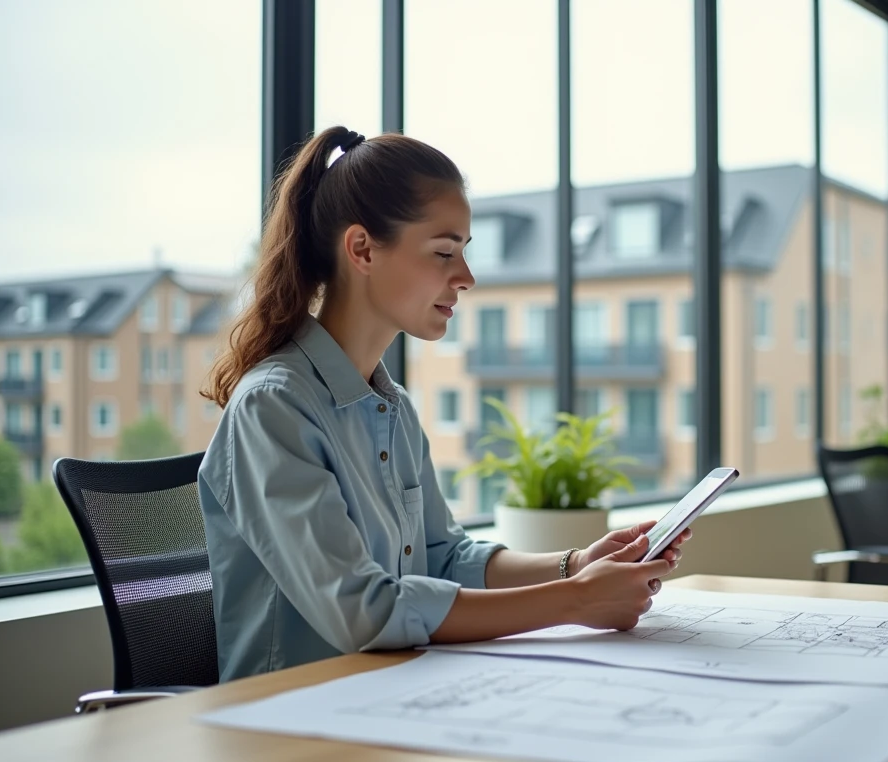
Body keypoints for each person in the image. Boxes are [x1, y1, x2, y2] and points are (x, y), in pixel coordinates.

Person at [198, 126, 687, 681]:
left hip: (392, 693)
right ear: (362, 249)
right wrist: (576, 600)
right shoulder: (273, 408)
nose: (466, 276)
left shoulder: (392, 408)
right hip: (288, 714)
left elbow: (445, 557)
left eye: (464, 252)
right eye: (443, 252)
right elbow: (364, 611)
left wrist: (574, 565)